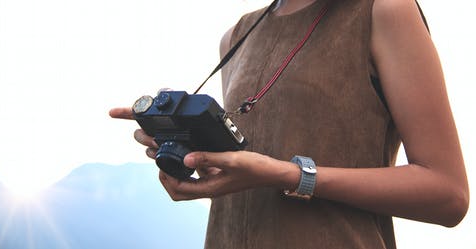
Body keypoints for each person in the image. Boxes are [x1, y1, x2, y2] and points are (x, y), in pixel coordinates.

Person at [110, 0, 469, 248]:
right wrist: (191, 154)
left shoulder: (383, 10)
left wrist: (291, 175)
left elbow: (448, 194)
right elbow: (249, 169)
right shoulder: (236, 36)